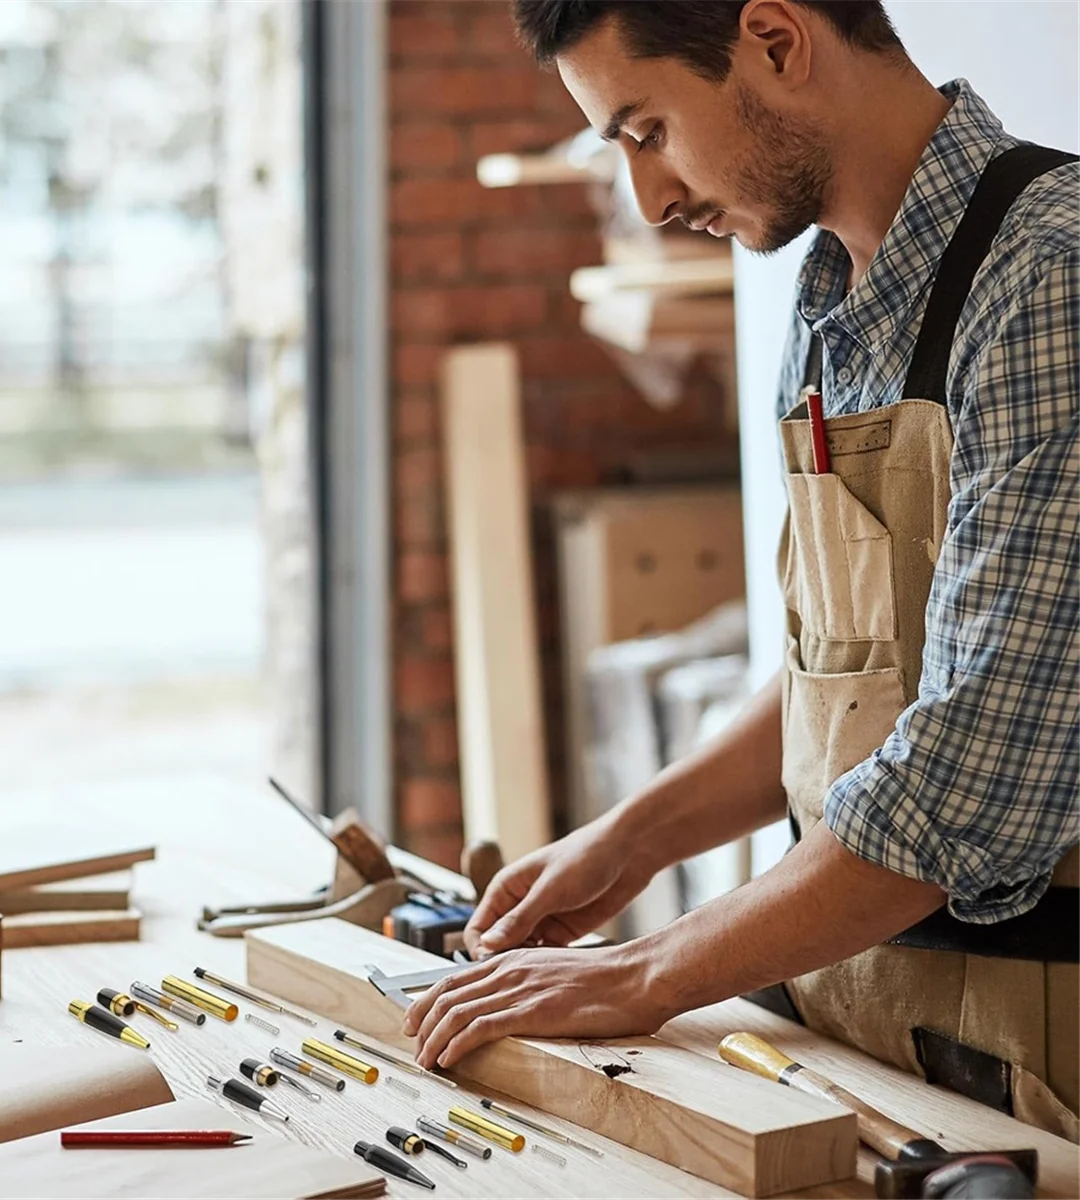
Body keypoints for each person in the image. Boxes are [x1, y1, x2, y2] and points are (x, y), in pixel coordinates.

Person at [404, 0, 1079, 1140]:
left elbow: (971, 790)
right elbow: (846, 677)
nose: (651, 202)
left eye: (647, 130)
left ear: (775, 40)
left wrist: (645, 973)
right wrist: (631, 840)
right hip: (854, 1033)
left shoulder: (1050, 281)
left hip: (1030, 1079)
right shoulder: (826, 301)